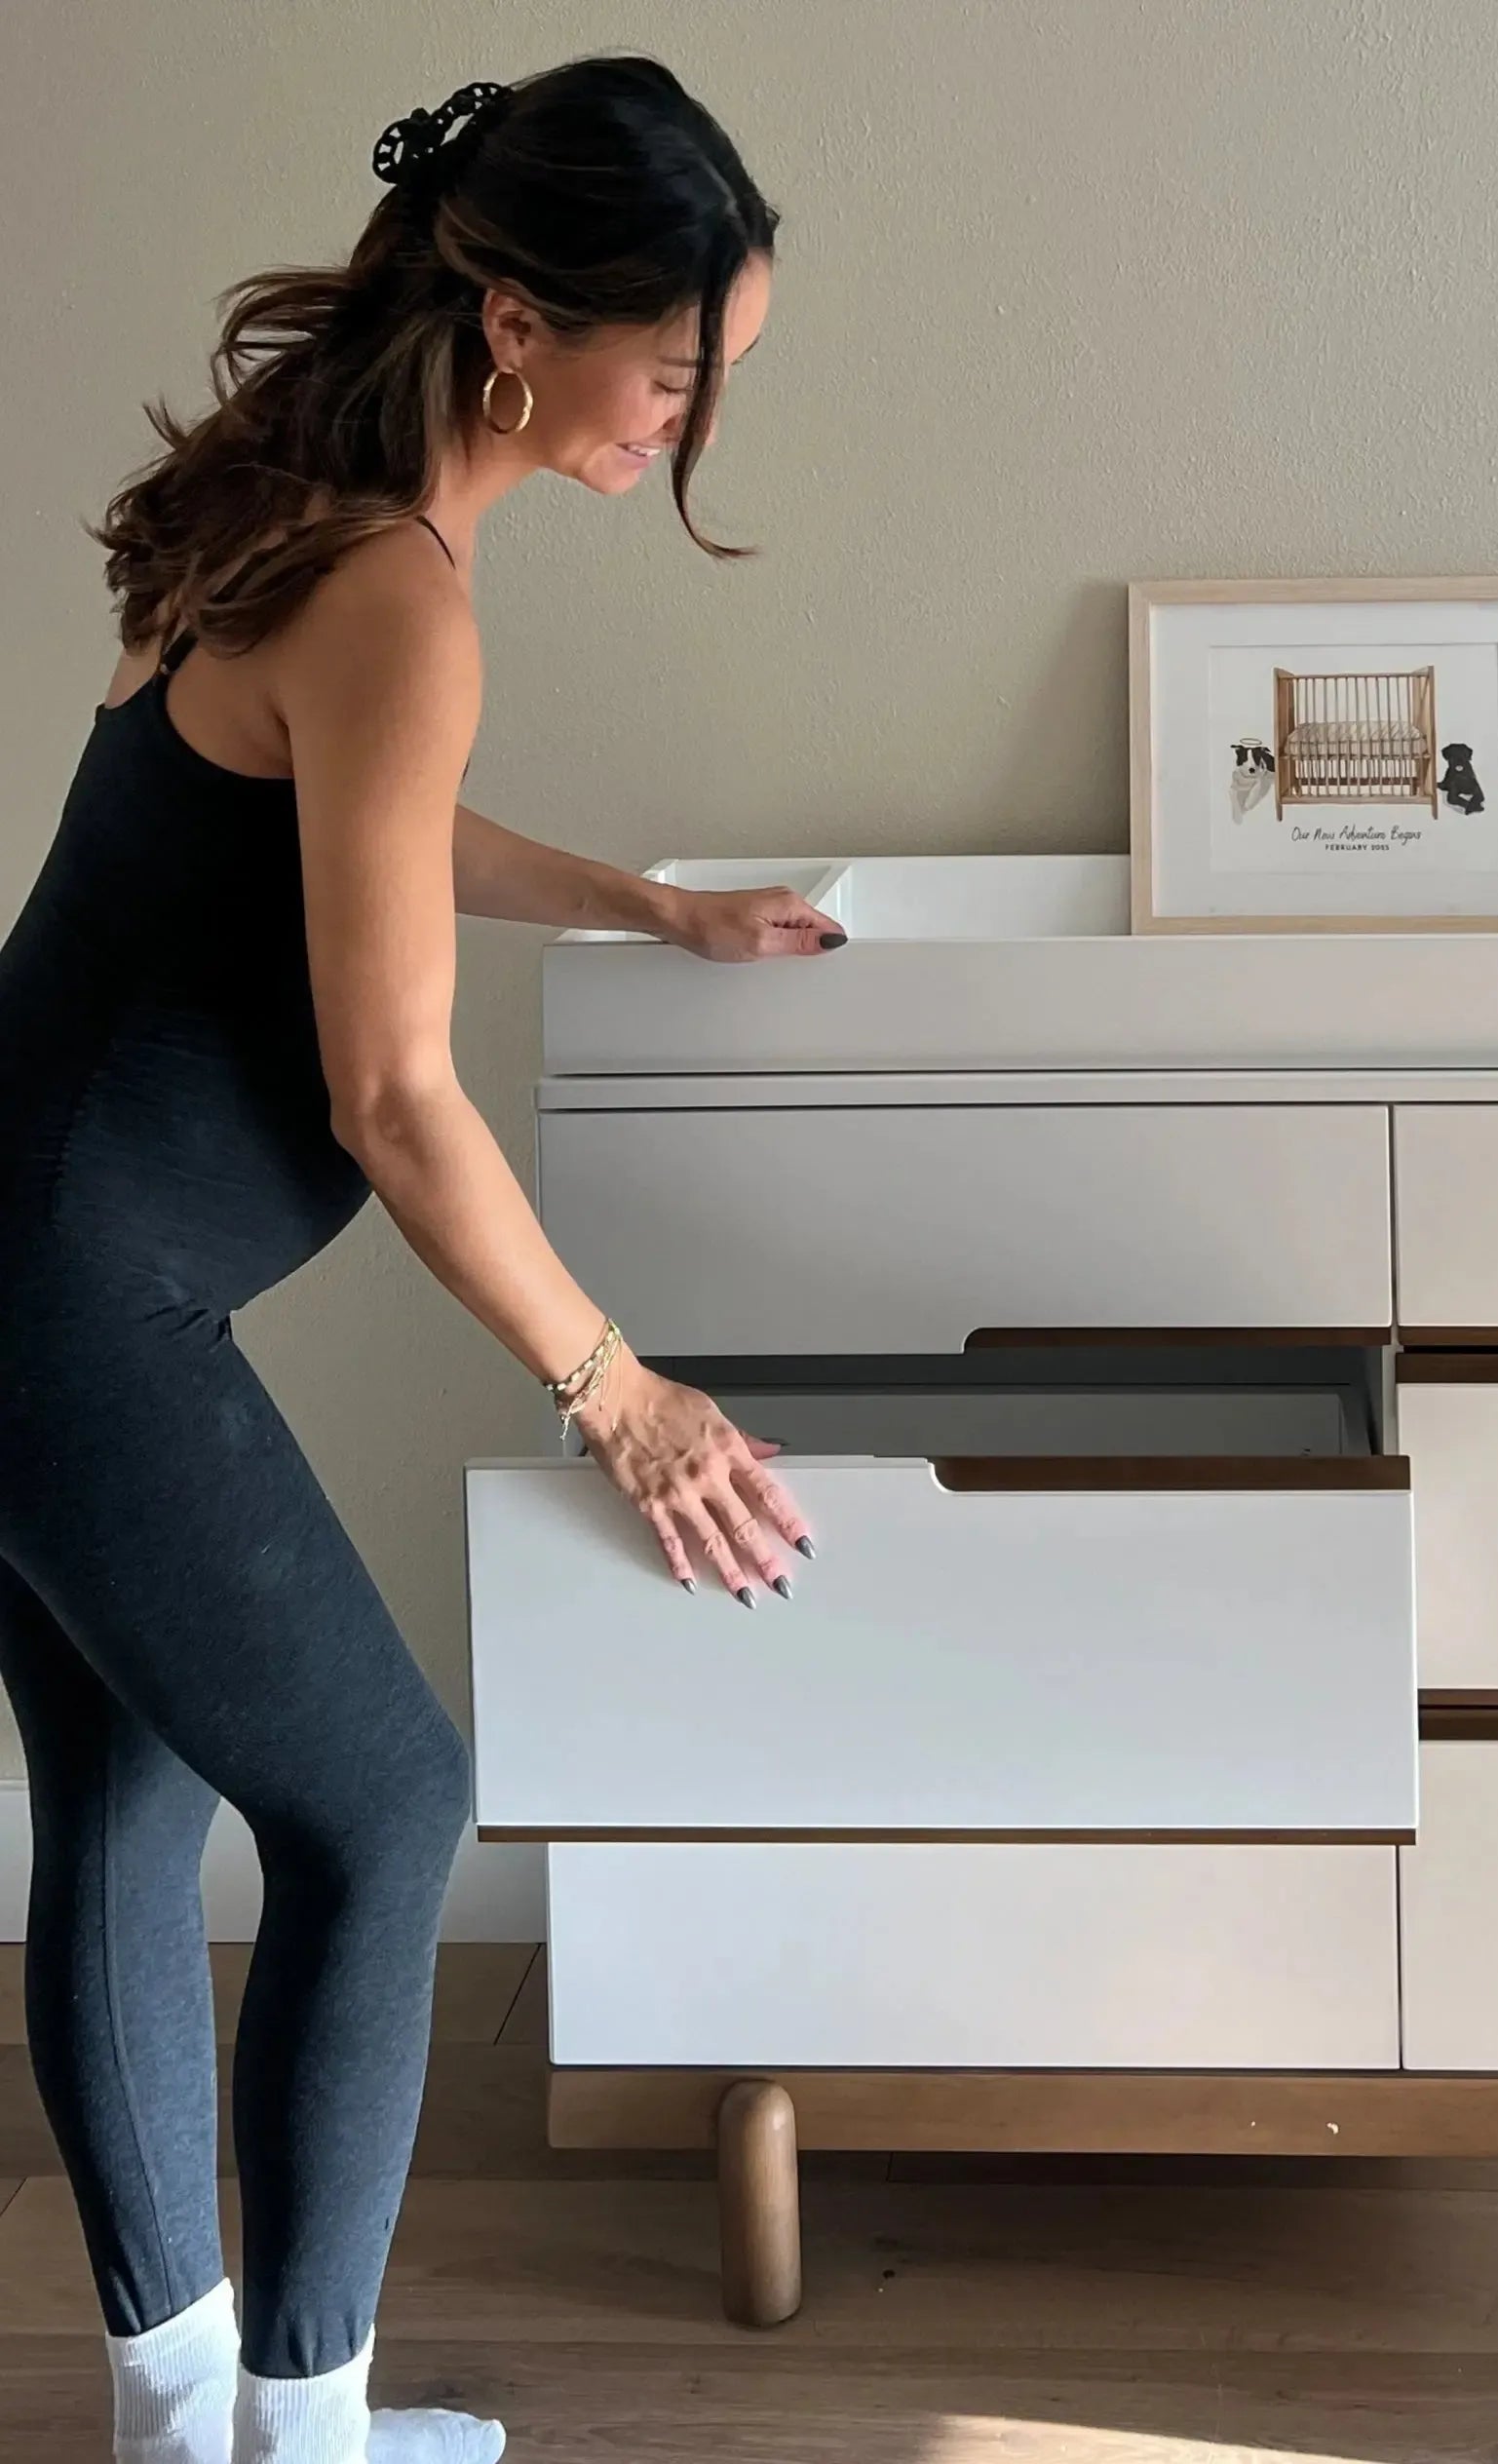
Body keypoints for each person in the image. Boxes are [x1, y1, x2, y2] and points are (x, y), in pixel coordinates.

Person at [0, 58, 831, 2464]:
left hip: (25, 1257)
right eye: (669, 370)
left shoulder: (304, 514)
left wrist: (640, 902)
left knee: (126, 1807)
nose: (685, 423)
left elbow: (355, 816)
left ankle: (190, 2422)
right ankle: (304, 2439)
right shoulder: (393, 587)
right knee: (379, 1812)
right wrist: (620, 1392)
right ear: (515, 323)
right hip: (66, 1297)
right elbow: (392, 1093)